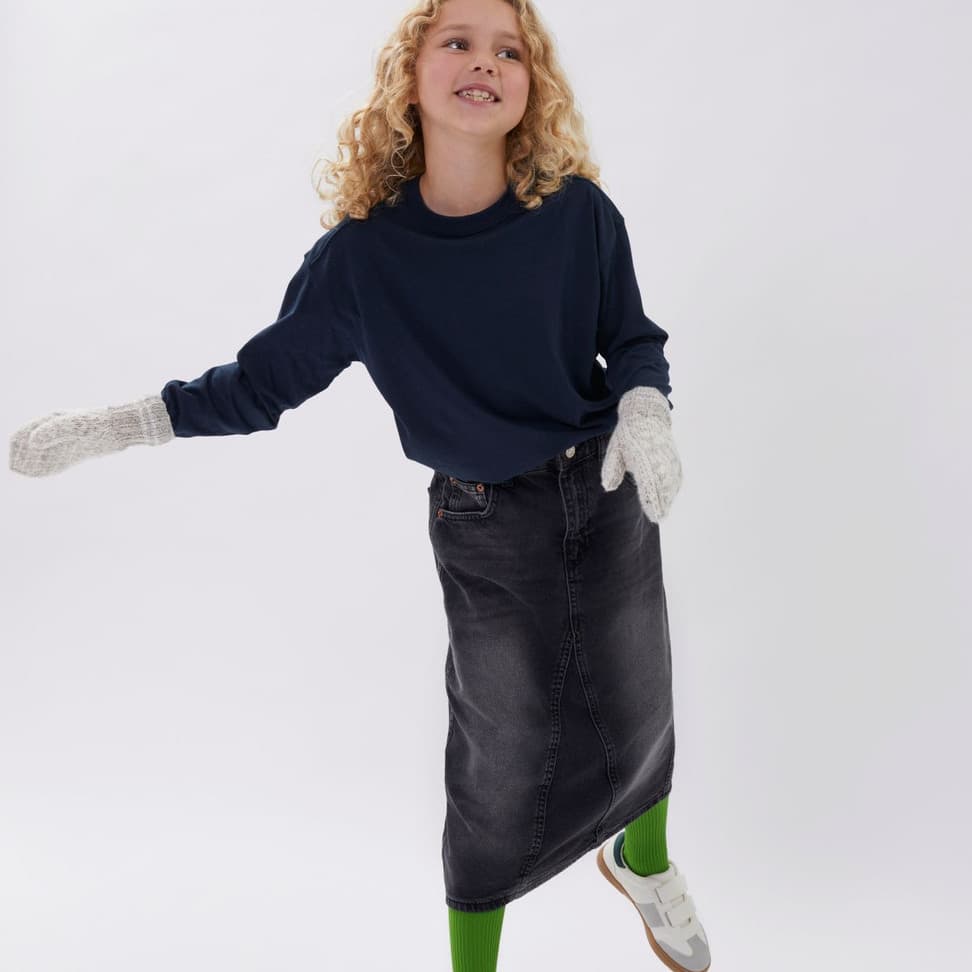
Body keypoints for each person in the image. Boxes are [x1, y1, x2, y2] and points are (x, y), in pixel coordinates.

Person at [8, 0, 711, 969]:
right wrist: (123, 425)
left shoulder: (578, 213)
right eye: (457, 41)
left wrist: (645, 408)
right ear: (408, 76)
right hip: (485, 519)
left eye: (509, 50)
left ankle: (645, 860)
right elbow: (258, 385)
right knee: (500, 760)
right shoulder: (362, 260)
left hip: (607, 482)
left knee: (640, 693)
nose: (484, 61)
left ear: (532, 84)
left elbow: (631, 338)